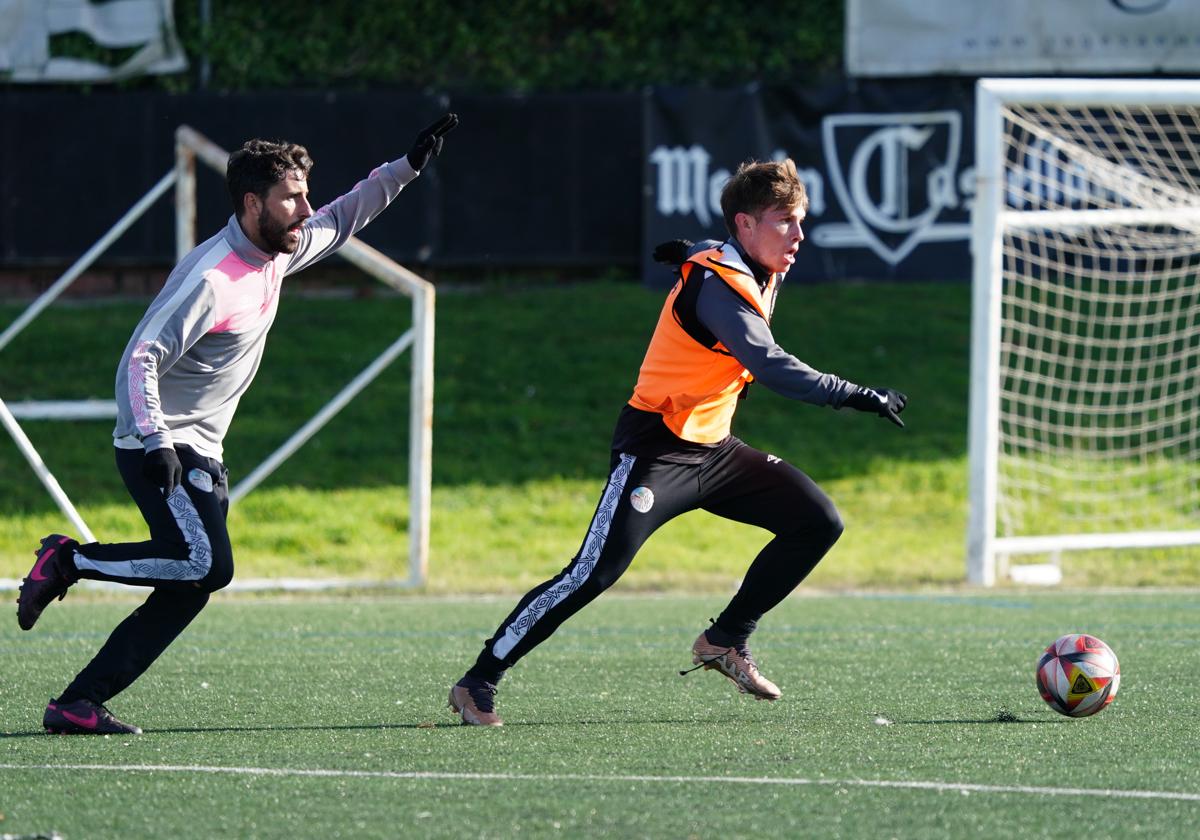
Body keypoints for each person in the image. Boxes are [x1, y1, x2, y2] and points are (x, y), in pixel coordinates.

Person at [16, 113, 460, 735]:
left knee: (188, 584)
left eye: (306, 193)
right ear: (253, 204)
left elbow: (343, 217)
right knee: (208, 567)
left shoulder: (279, 247)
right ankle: (69, 562)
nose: (307, 208)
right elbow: (140, 357)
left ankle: (77, 703)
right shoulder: (210, 278)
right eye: (292, 197)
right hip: (161, 446)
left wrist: (405, 169)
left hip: (202, 448)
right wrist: (156, 440)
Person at [449, 157, 907, 726]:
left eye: (801, 220)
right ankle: (478, 681)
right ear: (745, 224)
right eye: (785, 220)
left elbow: (713, 254)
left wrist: (692, 247)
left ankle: (725, 639)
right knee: (593, 573)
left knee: (818, 520)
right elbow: (771, 365)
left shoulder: (751, 262)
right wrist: (856, 394)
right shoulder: (719, 287)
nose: (798, 235)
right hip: (656, 450)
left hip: (714, 448)